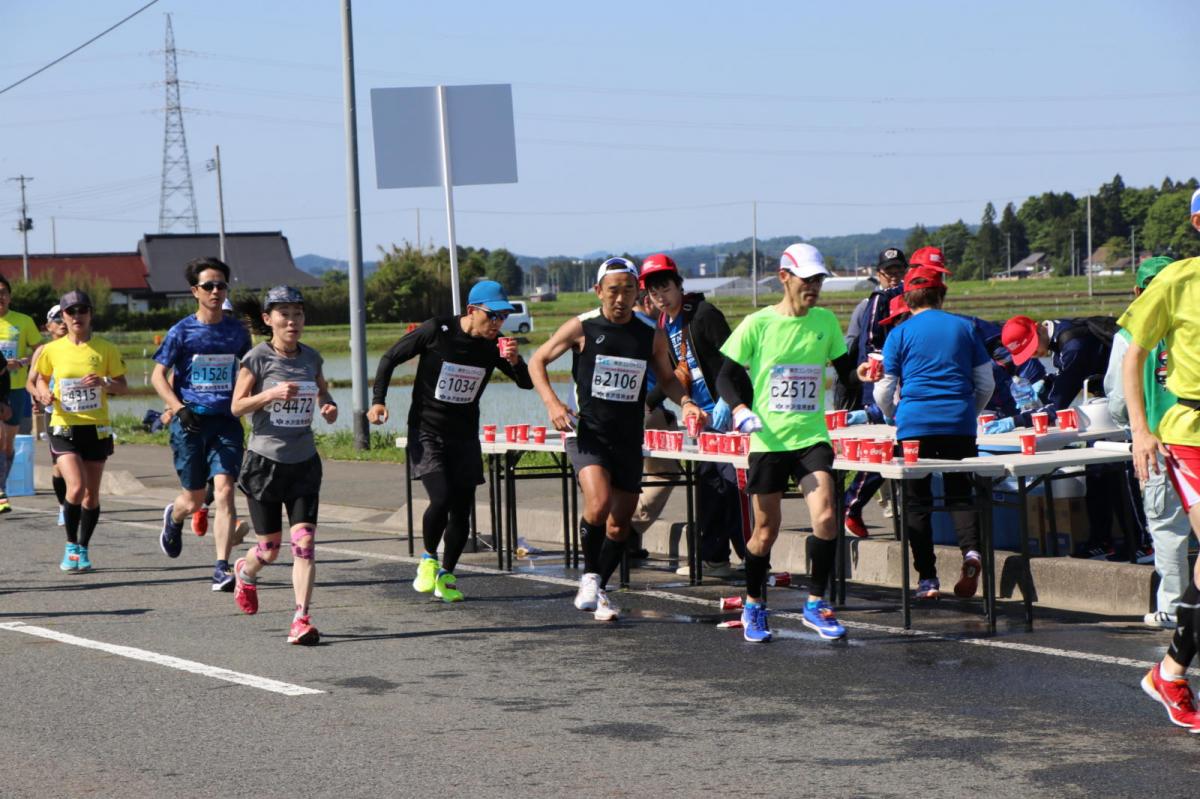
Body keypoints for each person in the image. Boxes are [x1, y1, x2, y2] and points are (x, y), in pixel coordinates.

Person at [529, 257, 704, 622]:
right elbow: (537, 361)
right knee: (599, 503)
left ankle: (600, 588)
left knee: (620, 524)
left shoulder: (650, 333)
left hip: (628, 437)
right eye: (613, 291)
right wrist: (553, 403)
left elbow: (667, 378)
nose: (621, 299)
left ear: (638, 292)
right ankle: (590, 578)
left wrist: (687, 402)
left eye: (628, 291)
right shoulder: (582, 326)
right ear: (599, 291)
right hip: (587, 433)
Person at [717, 243, 861, 642]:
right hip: (768, 440)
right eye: (806, 279)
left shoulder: (825, 322)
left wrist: (863, 374)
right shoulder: (758, 323)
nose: (813, 286)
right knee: (766, 531)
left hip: (811, 437)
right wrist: (739, 408)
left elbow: (847, 374)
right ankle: (753, 605)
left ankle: (815, 604)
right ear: (784, 277)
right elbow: (725, 376)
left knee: (827, 517)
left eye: (818, 280)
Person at [369, 280, 533, 603]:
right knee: (441, 498)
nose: (498, 323)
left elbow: (526, 384)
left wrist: (515, 361)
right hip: (427, 431)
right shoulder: (437, 330)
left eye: (503, 317)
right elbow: (389, 358)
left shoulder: (495, 345)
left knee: (462, 512)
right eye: (492, 315)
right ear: (472, 310)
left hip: (464, 435)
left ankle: (446, 575)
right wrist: (378, 401)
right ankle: (428, 558)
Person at [870, 262, 994, 601]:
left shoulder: (899, 334)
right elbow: (986, 383)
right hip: (959, 423)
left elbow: (884, 390)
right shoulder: (965, 327)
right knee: (960, 494)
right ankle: (972, 553)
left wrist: (894, 415)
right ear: (942, 294)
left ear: (907, 298)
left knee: (916, 502)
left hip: (914, 426)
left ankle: (927, 579)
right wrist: (968, 413)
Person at [1124, 187, 1200, 730]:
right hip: (1190, 433)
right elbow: (1134, 355)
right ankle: (1170, 674)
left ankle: (1169, 673)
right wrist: (1140, 431)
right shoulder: (1177, 279)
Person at [229, 286, 335, 645]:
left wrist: (328, 406)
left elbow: (323, 392)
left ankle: (301, 619)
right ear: (268, 319)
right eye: (284, 314)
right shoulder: (257, 358)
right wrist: (269, 394)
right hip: (265, 463)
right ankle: (246, 572)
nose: (292, 321)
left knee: (304, 544)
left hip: (304, 462)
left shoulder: (311, 358)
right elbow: (236, 406)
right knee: (270, 549)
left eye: (298, 314)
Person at [640, 253, 747, 578]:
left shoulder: (703, 314)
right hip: (702, 421)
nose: (661, 296)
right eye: (654, 292)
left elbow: (734, 357)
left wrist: (730, 402)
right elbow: (672, 376)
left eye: (665, 288)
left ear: (678, 285)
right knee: (709, 488)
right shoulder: (663, 325)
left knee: (734, 487)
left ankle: (753, 559)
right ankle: (715, 560)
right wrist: (646, 404)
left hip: (728, 413)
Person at [1003, 311, 1141, 560]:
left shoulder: (1074, 344)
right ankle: (1101, 540)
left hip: (1121, 411)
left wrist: (1016, 421)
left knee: (1120, 477)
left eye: (1033, 348)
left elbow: (1059, 403)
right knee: (1096, 477)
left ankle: (1141, 541)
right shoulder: (1058, 336)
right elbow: (1064, 378)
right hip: (1100, 411)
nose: (1034, 355)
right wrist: (1045, 383)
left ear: (1038, 327)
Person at [152, 257, 253, 591]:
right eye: (208, 286)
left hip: (226, 422)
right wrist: (178, 409)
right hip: (190, 423)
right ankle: (174, 516)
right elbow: (158, 376)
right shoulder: (181, 331)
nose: (215, 291)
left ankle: (221, 568)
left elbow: (248, 371)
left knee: (225, 491)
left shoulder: (237, 332)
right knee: (194, 500)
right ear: (195, 291)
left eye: (220, 285)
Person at [1105, 255, 1189, 628]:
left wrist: (1134, 428)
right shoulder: (1191, 317)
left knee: (1168, 530)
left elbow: (1117, 401)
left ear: (1137, 292)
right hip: (1194, 436)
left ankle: (1173, 609)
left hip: (1155, 443)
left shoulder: (1128, 335)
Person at [32, 290, 128, 573]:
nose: (77, 316)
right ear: (63, 316)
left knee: (91, 495)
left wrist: (104, 382)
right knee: (75, 487)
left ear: (90, 314)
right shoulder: (52, 350)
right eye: (71, 312)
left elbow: (123, 386)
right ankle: (71, 545)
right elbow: (39, 380)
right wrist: (43, 393)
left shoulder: (105, 349)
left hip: (96, 428)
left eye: (82, 310)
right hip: (63, 426)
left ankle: (84, 547)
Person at [842, 247, 909, 538]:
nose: (894, 276)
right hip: (881, 383)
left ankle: (905, 517)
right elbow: (869, 345)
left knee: (903, 450)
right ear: (878, 273)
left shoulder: (910, 297)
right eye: (889, 271)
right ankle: (850, 505)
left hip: (905, 383)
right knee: (883, 450)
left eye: (899, 270)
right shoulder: (878, 300)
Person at [0, 275, 44, 514]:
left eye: (3, 292)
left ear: (10, 296)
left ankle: (2, 484)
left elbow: (40, 351)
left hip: (16, 388)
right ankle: (0, 492)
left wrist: (26, 363)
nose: (0, 297)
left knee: (7, 444)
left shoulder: (23, 321)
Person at [26, 305, 68, 525]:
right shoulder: (43, 350)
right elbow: (30, 383)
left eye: (65, 318)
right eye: (57, 320)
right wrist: (39, 396)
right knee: (59, 464)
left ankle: (80, 503)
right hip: (55, 413)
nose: (63, 323)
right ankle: (63, 506)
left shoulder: (83, 347)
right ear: (48, 326)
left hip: (85, 415)